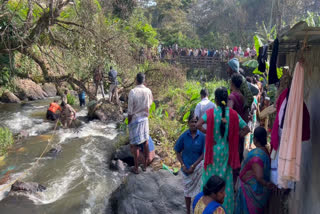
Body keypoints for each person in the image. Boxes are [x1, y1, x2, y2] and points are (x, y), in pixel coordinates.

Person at [196, 87, 250, 214]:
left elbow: (198, 124)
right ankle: (226, 210)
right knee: (226, 180)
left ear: (215, 100)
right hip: (226, 151)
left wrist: (208, 133)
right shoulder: (233, 114)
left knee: (209, 178)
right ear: (226, 99)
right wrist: (235, 137)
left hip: (212, 152)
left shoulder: (210, 113)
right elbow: (247, 129)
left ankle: (206, 208)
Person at [235, 127, 273, 214]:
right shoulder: (265, 151)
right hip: (260, 193)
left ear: (255, 139)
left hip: (252, 193)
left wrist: (267, 184)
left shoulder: (256, 155)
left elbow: (259, 177)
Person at [174, 111, 205, 214]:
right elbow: (177, 151)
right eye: (192, 121)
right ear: (188, 123)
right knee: (187, 192)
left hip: (197, 169)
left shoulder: (202, 136)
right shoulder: (184, 136)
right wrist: (183, 165)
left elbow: (203, 154)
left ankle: (197, 210)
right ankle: (188, 211)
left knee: (198, 192)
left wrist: (194, 166)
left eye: (196, 121)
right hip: (186, 169)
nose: (194, 124)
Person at [128, 73, 153, 174]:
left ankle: (136, 168)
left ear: (136, 80)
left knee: (135, 145)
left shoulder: (133, 92)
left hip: (135, 119)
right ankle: (145, 166)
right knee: (145, 142)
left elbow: (130, 111)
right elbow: (150, 103)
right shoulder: (148, 91)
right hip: (145, 119)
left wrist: (128, 122)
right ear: (144, 80)